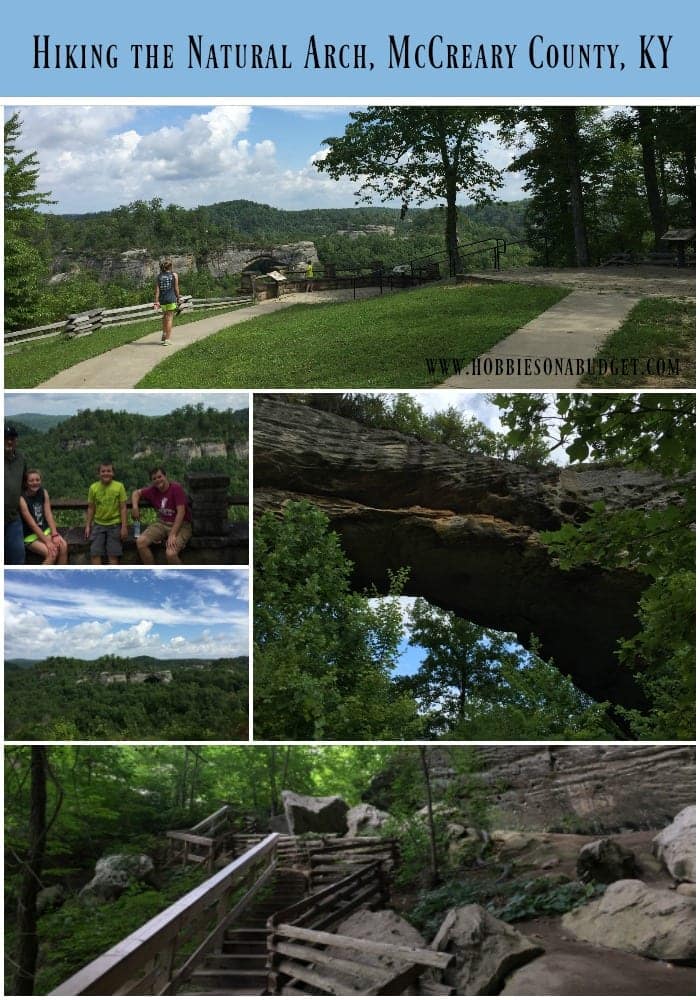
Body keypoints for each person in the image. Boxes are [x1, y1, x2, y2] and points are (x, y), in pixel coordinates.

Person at [131, 466, 193, 565]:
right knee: (140, 542)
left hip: (182, 525)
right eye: (154, 479)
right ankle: (152, 572)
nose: (157, 480)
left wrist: (172, 534)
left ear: (165, 476)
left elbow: (181, 513)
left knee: (170, 553)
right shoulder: (152, 490)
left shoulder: (176, 488)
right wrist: (135, 507)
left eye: (159, 477)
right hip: (162, 523)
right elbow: (136, 493)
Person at [19, 469, 68, 565]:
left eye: (37, 480)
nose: (35, 483)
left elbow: (48, 513)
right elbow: (32, 524)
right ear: (26, 483)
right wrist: (47, 542)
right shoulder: (22, 498)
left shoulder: (43, 492)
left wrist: (54, 534)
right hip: (30, 536)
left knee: (63, 546)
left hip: (45, 531)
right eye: (31, 480)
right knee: (52, 553)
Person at [85, 461, 128, 565]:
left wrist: (124, 527)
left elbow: (123, 508)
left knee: (113, 554)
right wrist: (88, 525)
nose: (106, 473)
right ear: (99, 474)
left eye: (109, 471)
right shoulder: (93, 488)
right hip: (98, 524)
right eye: (103, 471)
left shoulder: (119, 486)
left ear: (113, 473)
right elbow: (91, 508)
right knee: (95, 553)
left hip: (115, 524)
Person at [4, 424, 27, 565]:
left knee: (18, 557)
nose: (9, 441)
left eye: (12, 438)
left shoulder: (21, 459)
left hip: (13, 518)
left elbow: (25, 482)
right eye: (5, 438)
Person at [153, 259, 181, 345]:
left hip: (162, 300)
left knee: (165, 317)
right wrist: (178, 297)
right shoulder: (174, 275)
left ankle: (164, 334)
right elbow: (176, 288)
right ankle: (167, 339)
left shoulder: (159, 276)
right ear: (170, 267)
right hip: (171, 299)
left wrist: (156, 301)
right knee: (169, 318)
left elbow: (157, 290)